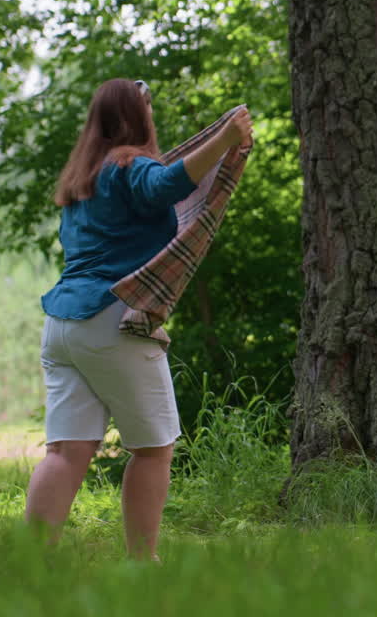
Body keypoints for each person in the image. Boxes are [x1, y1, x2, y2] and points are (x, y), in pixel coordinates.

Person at [24, 78, 252, 560]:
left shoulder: (81, 180)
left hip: (62, 325)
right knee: (153, 448)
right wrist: (227, 138)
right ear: (135, 115)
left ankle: (33, 561)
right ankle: (142, 563)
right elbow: (169, 185)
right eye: (147, 106)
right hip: (112, 319)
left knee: (66, 451)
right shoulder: (130, 164)